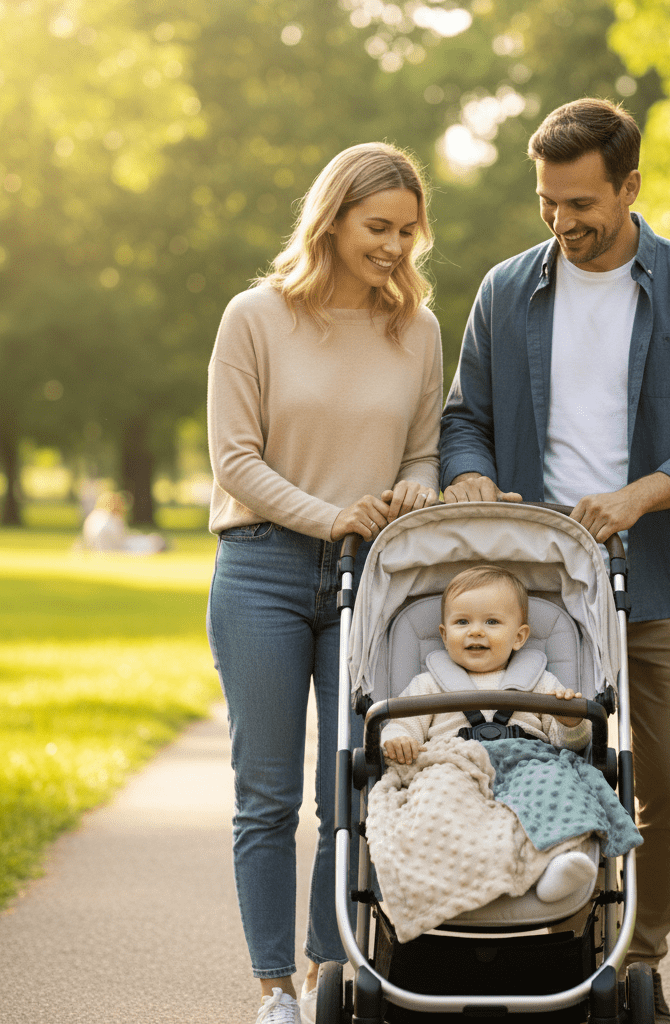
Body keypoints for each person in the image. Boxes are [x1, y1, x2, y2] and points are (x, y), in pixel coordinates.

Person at [439, 99, 670, 1022]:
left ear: (630, 187)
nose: (562, 222)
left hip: (663, 579)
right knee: (512, 762)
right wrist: (470, 474)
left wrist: (637, 497)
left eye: (581, 203)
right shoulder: (505, 291)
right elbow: (465, 417)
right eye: (547, 202)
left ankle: (636, 964)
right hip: (532, 589)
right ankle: (537, 942)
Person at [206, 142, 443, 1024]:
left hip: (365, 579)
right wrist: (331, 514)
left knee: (349, 785)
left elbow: (422, 448)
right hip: (261, 568)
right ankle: (273, 988)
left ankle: (324, 973)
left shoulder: (417, 329)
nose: (394, 246)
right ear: (333, 219)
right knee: (266, 795)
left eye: (408, 231)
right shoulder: (255, 317)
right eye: (378, 226)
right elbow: (235, 460)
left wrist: (415, 487)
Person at [380, 564, 600, 903]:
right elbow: (403, 723)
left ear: (519, 637)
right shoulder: (428, 685)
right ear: (444, 635)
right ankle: (451, 869)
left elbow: (567, 743)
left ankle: (554, 864)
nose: (476, 632)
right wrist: (397, 740)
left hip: (527, 765)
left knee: (556, 782)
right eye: (462, 622)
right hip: (455, 769)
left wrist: (570, 722)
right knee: (435, 794)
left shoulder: (542, 682)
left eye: (492, 622)